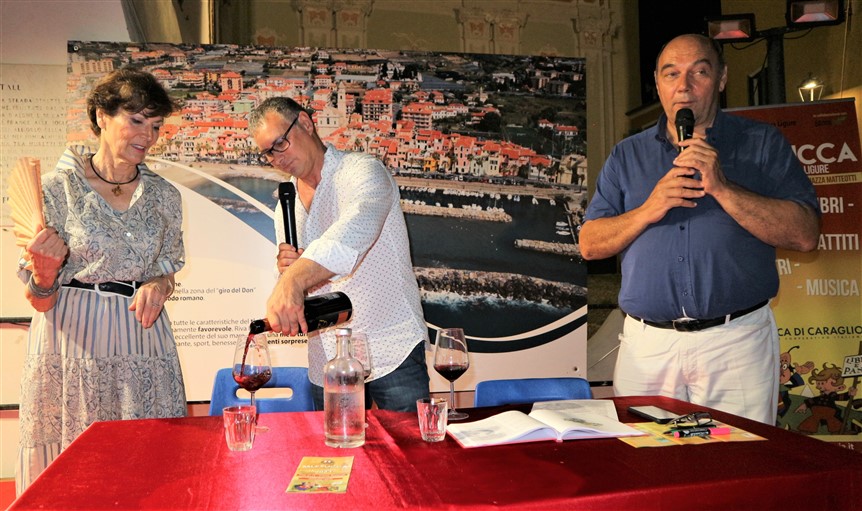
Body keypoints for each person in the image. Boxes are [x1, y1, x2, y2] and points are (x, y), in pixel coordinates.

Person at [579, 34, 820, 424]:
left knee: (738, 457)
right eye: (671, 73)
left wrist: (723, 188)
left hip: (735, 343)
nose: (684, 86)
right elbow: (589, 245)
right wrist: (649, 209)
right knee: (648, 457)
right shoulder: (627, 155)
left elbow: (805, 235)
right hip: (647, 347)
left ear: (721, 79)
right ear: (657, 83)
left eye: (700, 72)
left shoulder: (762, 143)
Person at [16, 68, 186, 493]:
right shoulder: (55, 190)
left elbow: (167, 267)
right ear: (100, 117)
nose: (148, 135)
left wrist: (159, 284)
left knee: (145, 463)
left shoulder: (165, 196)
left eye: (156, 125)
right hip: (72, 340)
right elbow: (39, 299)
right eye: (136, 120)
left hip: (142, 339)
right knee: (73, 466)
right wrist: (45, 274)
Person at [248, 97, 430, 412]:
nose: (277, 158)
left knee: (410, 442)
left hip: (390, 346)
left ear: (306, 123)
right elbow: (302, 282)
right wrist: (288, 273)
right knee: (337, 444)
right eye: (268, 152)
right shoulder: (286, 206)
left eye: (280, 143)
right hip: (328, 358)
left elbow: (355, 230)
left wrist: (293, 279)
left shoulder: (362, 171)